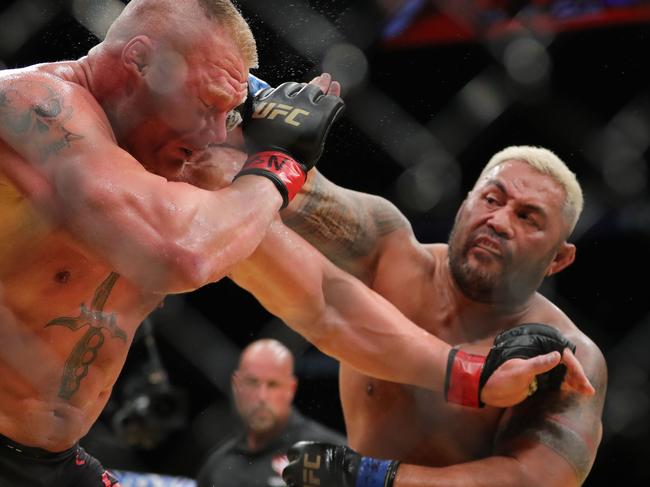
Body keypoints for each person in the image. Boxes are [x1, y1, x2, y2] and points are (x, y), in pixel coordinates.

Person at [0, 0, 591, 483]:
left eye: (230, 112)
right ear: (140, 61)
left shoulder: (188, 165)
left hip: (53, 460)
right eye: (207, 104)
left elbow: (323, 302)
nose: (215, 133)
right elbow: (174, 252)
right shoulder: (31, 110)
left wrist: (470, 374)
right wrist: (279, 167)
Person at [256, 145, 606, 487]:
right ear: (463, 205)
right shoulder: (387, 254)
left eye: (527, 217)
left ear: (558, 259)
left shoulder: (565, 354)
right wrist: (276, 133)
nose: (498, 222)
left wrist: (366, 476)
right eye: (491, 200)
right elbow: (298, 191)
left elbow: (538, 479)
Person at [196, 339, 345, 487]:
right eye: (252, 382)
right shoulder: (218, 466)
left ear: (291, 389)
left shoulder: (329, 456)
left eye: (273, 385)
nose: (262, 397)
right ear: (236, 386)